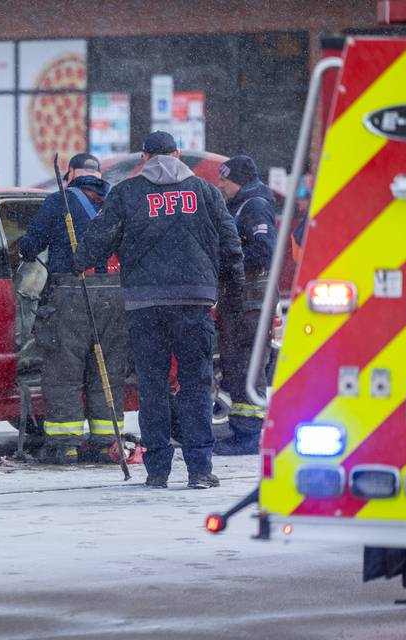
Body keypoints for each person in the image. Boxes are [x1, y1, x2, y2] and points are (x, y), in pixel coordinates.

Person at [75, 131, 244, 489]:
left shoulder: (127, 193)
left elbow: (99, 239)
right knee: (196, 384)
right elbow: (231, 244)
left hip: (145, 304)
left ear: (144, 158)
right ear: (178, 154)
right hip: (194, 302)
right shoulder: (206, 192)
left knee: (152, 386)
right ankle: (199, 469)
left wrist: (80, 260)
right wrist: (231, 290)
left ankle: (157, 470)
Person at [18, 153, 126, 464]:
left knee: (64, 369)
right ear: (98, 175)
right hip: (114, 293)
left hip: (72, 291)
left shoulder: (59, 202)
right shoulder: (116, 202)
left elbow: (31, 244)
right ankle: (107, 442)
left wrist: (26, 251)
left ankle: (65, 444)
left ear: (71, 175)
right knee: (107, 369)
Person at [215, 155, 277, 455]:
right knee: (237, 367)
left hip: (253, 299)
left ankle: (250, 436)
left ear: (238, 179)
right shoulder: (240, 205)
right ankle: (243, 432)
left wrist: (229, 263)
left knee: (250, 367)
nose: (220, 184)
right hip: (241, 300)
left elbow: (264, 252)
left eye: (225, 179)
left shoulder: (254, 206)